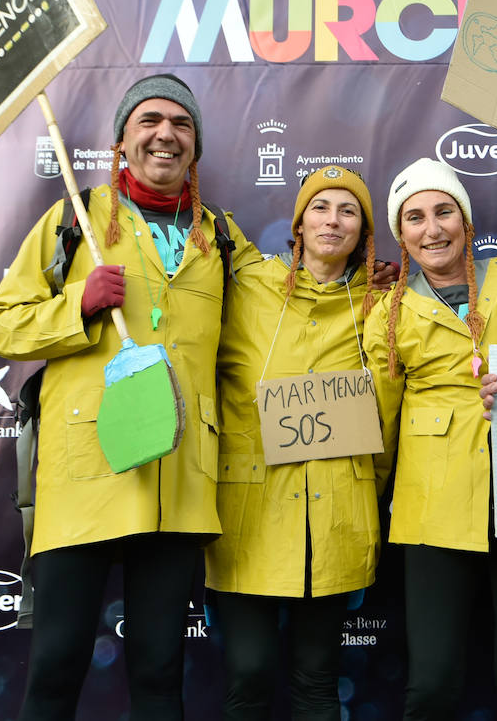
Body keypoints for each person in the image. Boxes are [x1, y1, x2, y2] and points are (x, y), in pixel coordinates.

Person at [0, 73, 254, 721]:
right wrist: (77, 303)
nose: (166, 134)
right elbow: (2, 322)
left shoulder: (221, 237)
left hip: (178, 479)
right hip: (86, 477)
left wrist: (364, 286)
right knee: (56, 665)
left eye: (182, 124)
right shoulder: (72, 220)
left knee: (161, 672)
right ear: (123, 139)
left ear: (196, 145)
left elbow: (290, 306)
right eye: (150, 121)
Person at [363, 157, 497, 721]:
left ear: (465, 219)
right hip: (431, 512)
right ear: (400, 233)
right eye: (414, 218)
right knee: (432, 683)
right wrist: (366, 505)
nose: (432, 229)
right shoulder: (388, 313)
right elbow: (378, 425)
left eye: (444, 212)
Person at [207, 165, 398, 721]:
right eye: (320, 207)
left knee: (317, 680)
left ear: (363, 232)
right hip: (250, 515)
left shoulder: (383, 305)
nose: (332, 221)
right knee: (248, 675)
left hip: (335, 520)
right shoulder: (248, 283)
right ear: (298, 222)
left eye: (348, 211)